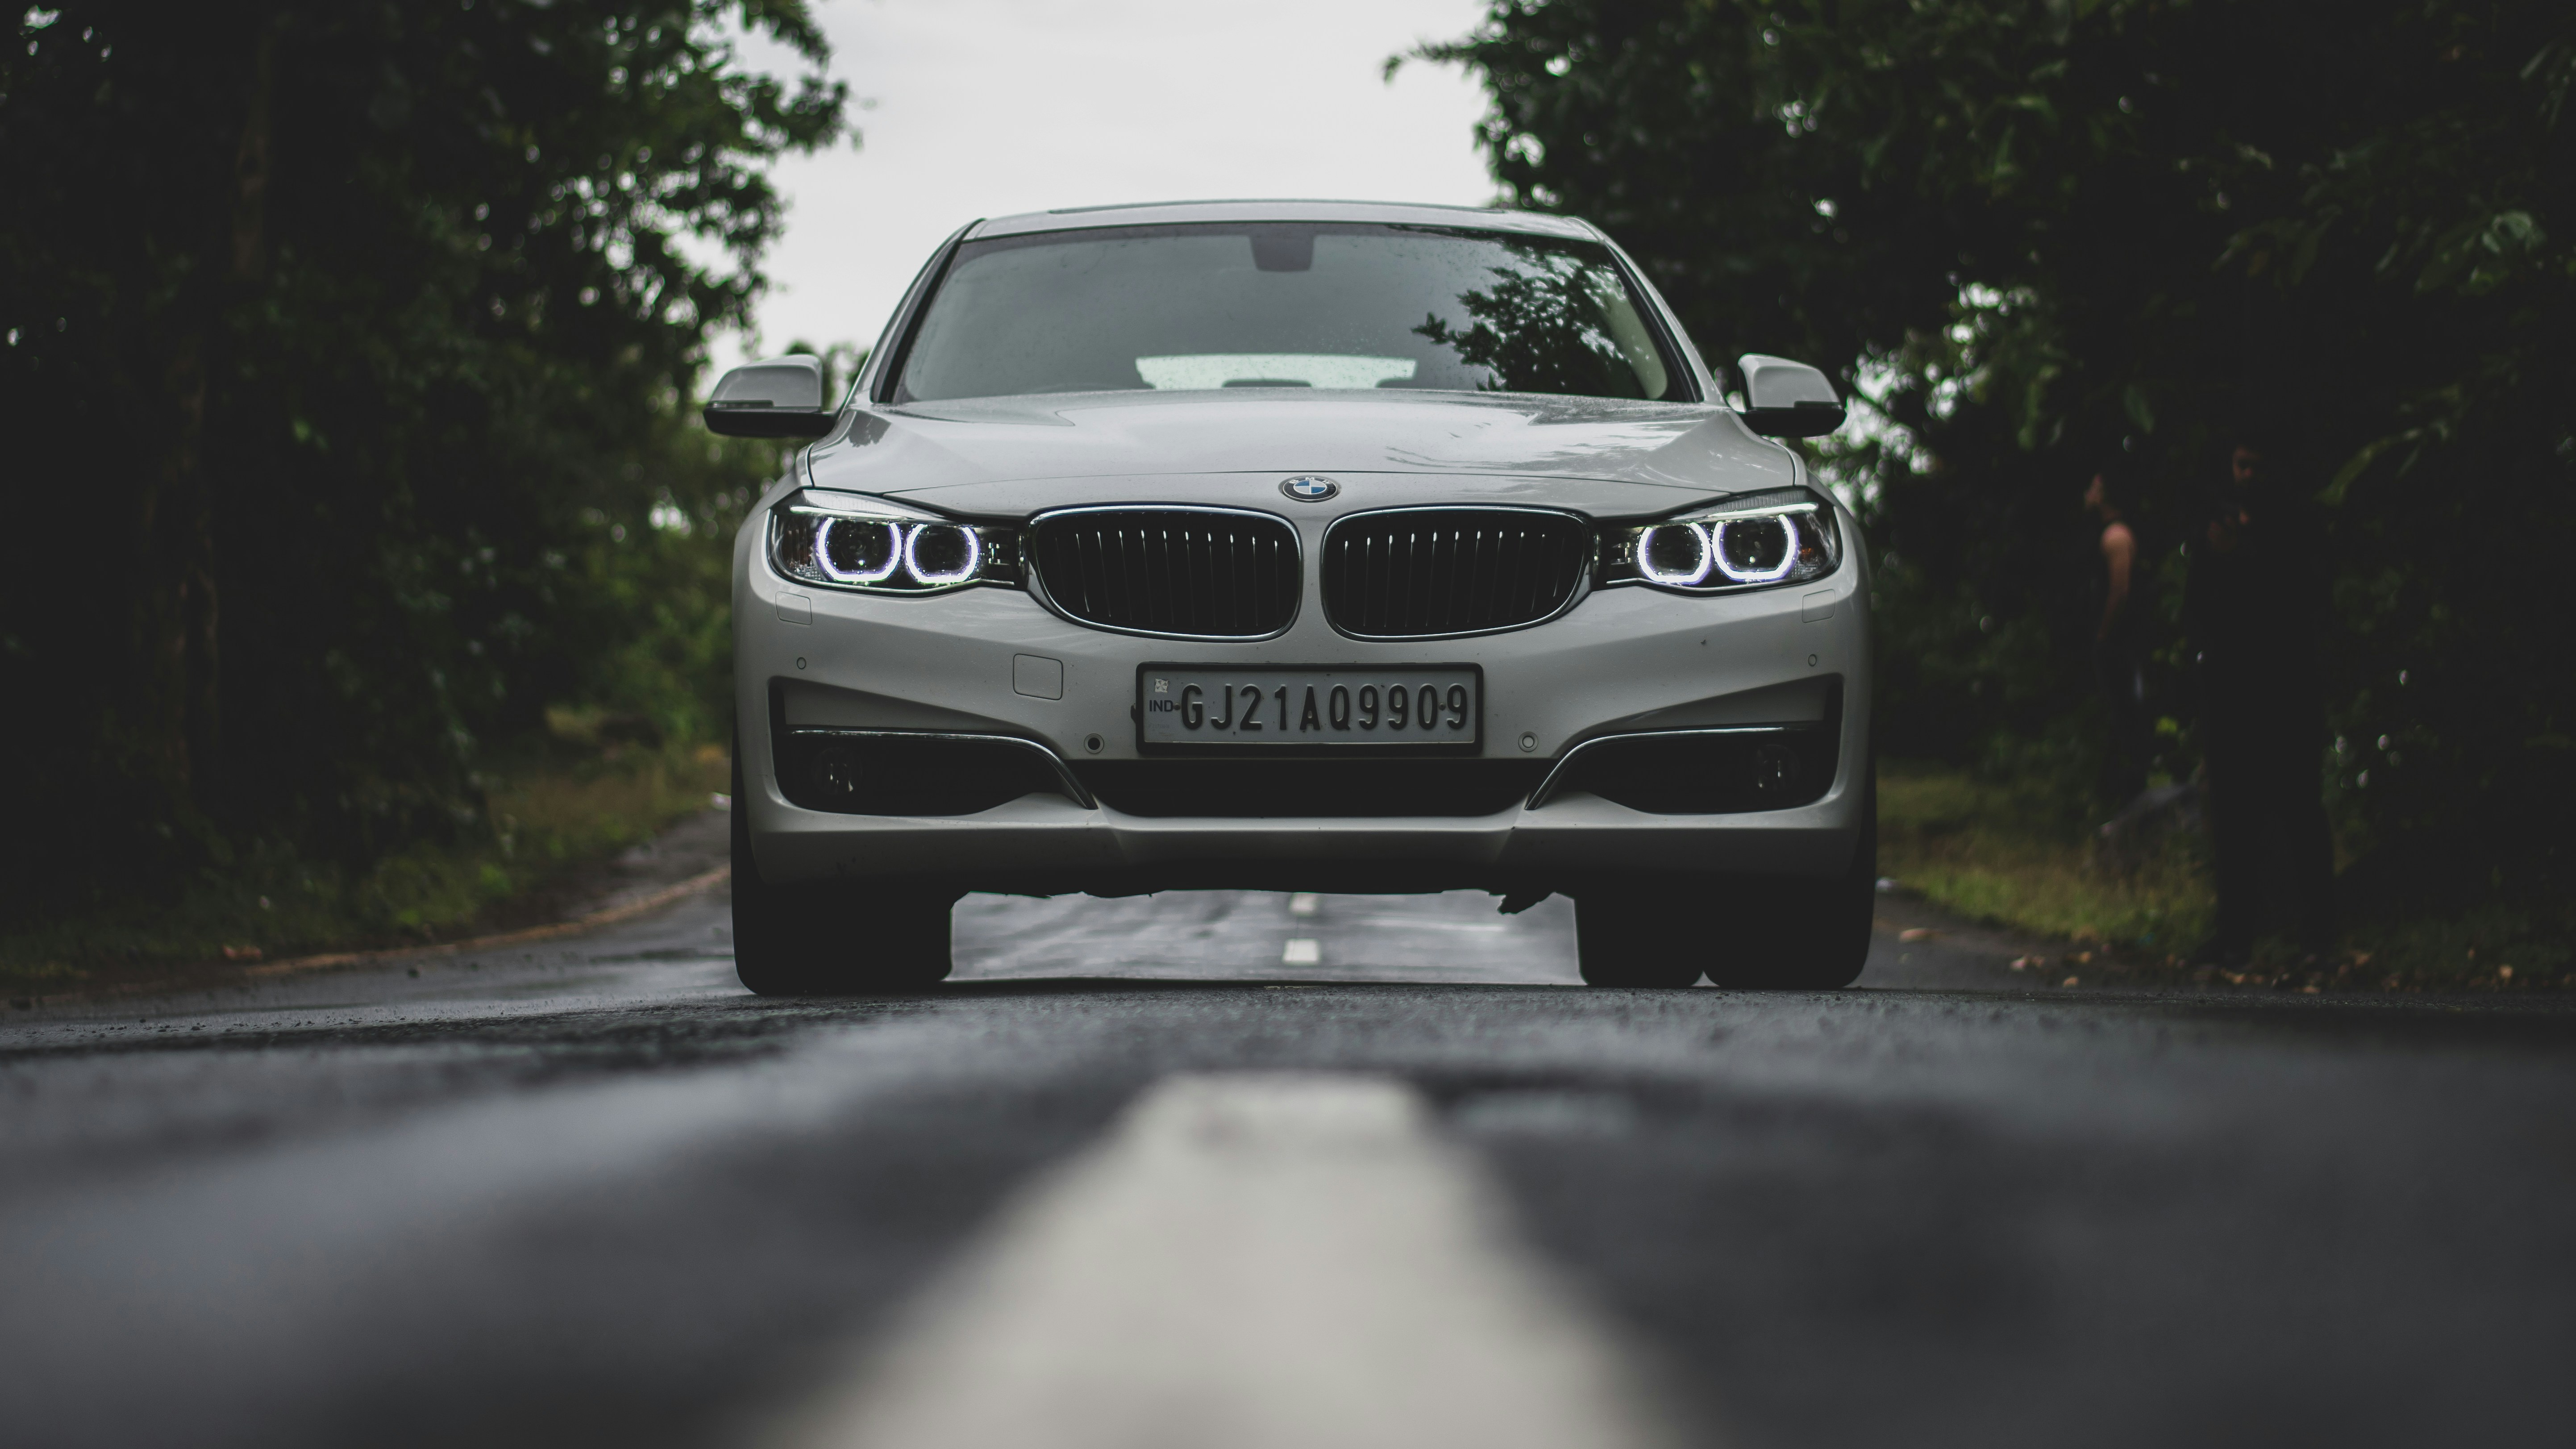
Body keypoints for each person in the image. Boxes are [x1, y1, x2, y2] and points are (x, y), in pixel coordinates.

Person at [2181, 436, 2337, 964]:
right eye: (2240, 466)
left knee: (2298, 808)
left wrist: (2239, 557)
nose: (2246, 476)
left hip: (2285, 689)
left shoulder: (2295, 526)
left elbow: (2299, 601)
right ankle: (2234, 937)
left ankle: (2318, 933)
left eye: (2256, 467)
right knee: (2233, 815)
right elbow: (2197, 602)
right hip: (2228, 691)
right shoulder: (2217, 525)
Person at [2085, 463, 2148, 803]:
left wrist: (2104, 634)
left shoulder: (2116, 536)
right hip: (2115, 643)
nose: (2087, 495)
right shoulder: (2109, 534)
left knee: (2125, 715)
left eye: (2093, 488)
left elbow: (2120, 590)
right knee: (2116, 715)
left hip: (2119, 644)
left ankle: (2129, 794)